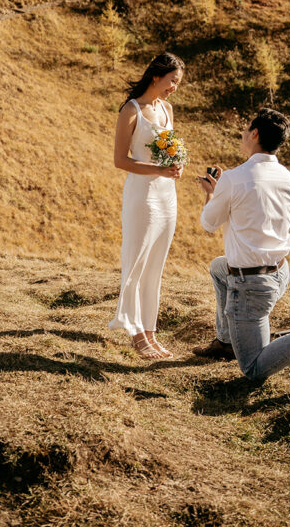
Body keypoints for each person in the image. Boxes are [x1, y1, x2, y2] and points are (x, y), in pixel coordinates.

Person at [192, 107, 290, 381]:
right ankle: (226, 342)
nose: (243, 134)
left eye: (246, 129)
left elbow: (208, 224)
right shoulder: (287, 177)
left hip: (251, 285)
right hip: (279, 272)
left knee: (252, 367)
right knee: (218, 268)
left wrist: (213, 194)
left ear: (255, 134)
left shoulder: (233, 178)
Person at [109, 52, 185, 360]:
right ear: (156, 76)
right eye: (172, 81)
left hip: (167, 195)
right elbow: (120, 160)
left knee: (156, 265)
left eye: (178, 83)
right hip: (142, 195)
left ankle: (150, 332)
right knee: (137, 262)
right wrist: (158, 170)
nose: (174, 88)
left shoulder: (167, 109)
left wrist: (175, 165)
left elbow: (169, 150)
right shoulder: (131, 110)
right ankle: (135, 332)